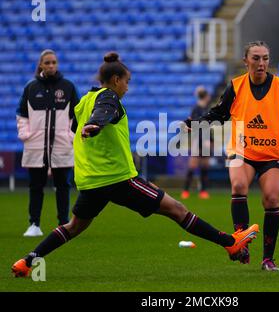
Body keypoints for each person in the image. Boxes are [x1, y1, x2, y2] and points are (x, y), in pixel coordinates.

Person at [11, 52, 259, 278]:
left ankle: (27, 261)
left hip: (91, 181)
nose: (127, 88)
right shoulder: (109, 98)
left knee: (73, 226)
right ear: (116, 79)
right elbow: (105, 111)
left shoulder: (85, 99)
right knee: (177, 210)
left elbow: (78, 126)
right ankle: (230, 242)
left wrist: (91, 126)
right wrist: (96, 124)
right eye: (127, 82)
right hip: (118, 179)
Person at [184, 41, 279, 270]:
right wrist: (197, 123)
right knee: (238, 186)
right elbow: (219, 114)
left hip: (271, 154)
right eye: (256, 58)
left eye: (265, 58)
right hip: (242, 151)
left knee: (272, 199)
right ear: (245, 61)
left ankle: (268, 258)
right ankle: (241, 243)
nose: (261, 63)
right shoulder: (236, 86)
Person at [16, 49, 79, 237]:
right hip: (36, 146)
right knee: (36, 186)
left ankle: (63, 224)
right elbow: (22, 114)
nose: (51, 65)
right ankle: (34, 224)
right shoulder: (31, 87)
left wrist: (70, 136)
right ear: (41, 65)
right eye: (47, 63)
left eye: (54, 62)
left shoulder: (68, 86)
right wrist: (25, 134)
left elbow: (77, 115)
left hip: (61, 146)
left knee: (63, 186)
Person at [181, 86, 213, 200]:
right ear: (205, 96)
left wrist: (210, 140)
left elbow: (208, 127)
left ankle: (203, 191)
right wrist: (202, 141)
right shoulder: (196, 109)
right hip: (198, 140)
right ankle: (185, 190)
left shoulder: (208, 109)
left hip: (206, 141)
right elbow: (195, 126)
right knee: (193, 166)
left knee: (205, 166)